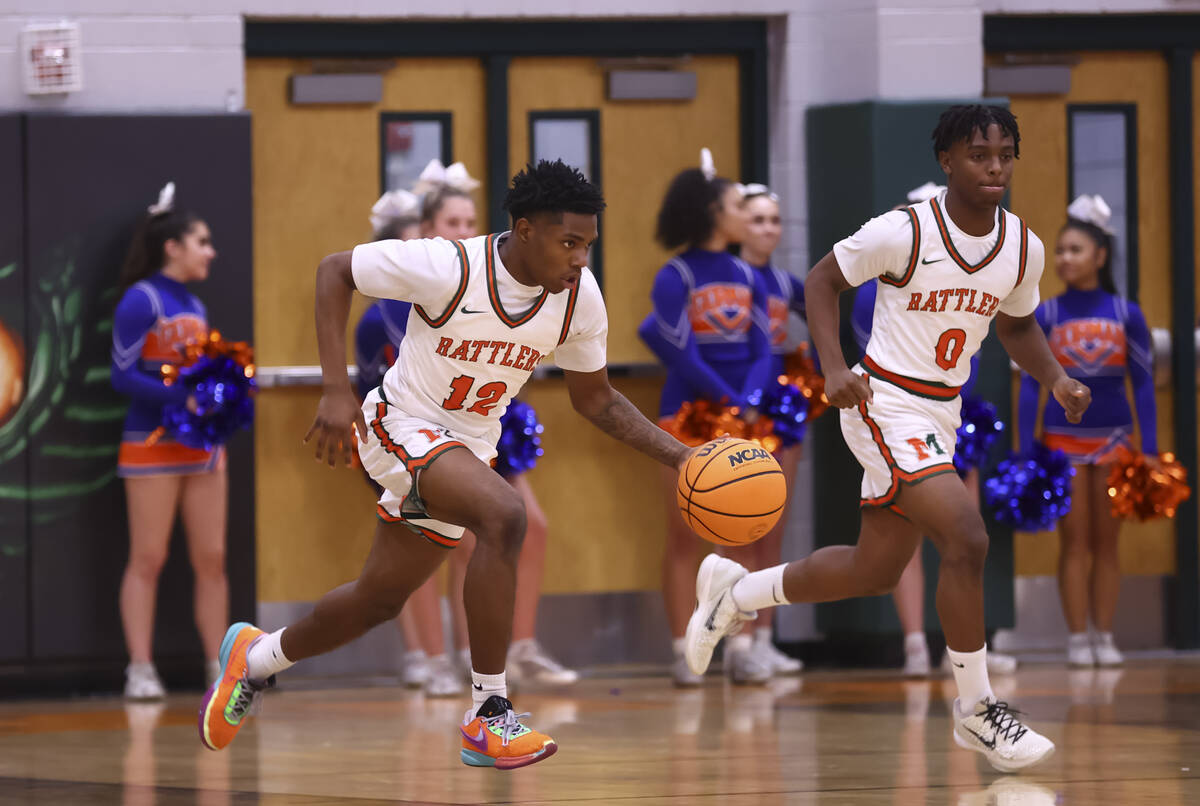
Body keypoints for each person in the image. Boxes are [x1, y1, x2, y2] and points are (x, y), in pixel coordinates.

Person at [200, 160, 694, 770]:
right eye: (569, 243)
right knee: (505, 515)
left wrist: (681, 456)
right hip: (400, 424)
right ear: (525, 230)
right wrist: (334, 390)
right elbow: (335, 271)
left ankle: (257, 657)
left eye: (588, 245)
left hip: (468, 444)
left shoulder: (578, 299)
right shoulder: (449, 265)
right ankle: (490, 714)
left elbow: (595, 399)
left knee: (379, 600)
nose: (580, 259)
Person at [685, 105, 1092, 772]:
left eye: (1004, 155)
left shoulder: (1022, 246)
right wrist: (835, 368)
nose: (994, 166)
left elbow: (1018, 325)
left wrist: (1057, 377)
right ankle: (977, 711)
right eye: (978, 154)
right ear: (947, 161)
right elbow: (821, 282)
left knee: (872, 570)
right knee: (966, 536)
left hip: (942, 414)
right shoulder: (904, 230)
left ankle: (737, 594)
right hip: (883, 401)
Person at [357, 171, 578, 694]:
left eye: (468, 221)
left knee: (528, 526)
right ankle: (436, 658)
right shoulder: (395, 306)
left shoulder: (499, 280)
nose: (462, 230)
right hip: (413, 434)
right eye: (449, 222)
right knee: (434, 545)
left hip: (485, 431)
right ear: (425, 229)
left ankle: (506, 650)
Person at [852, 183, 1017, 679]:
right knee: (928, 540)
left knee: (962, 537)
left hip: (954, 415)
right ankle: (915, 645)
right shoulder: (879, 285)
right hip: (897, 414)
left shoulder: (986, 274)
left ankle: (962, 650)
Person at [638, 151, 773, 686]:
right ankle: (680, 647)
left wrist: (750, 398)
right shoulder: (675, 275)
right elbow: (681, 353)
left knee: (740, 535)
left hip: (741, 414)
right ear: (711, 212)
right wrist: (728, 399)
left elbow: (764, 347)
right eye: (738, 204)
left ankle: (737, 647)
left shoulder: (747, 273)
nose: (745, 213)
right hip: (687, 414)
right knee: (684, 533)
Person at [1017, 194, 1157, 668]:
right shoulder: (1047, 314)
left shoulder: (1126, 313)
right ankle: (1077, 636)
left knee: (1107, 544)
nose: (1064, 259)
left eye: (1075, 250)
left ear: (1100, 256)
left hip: (1116, 440)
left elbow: (1142, 385)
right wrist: (1024, 450)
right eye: (1060, 251)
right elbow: (1030, 389)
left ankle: (1106, 634)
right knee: (1074, 542)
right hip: (1062, 441)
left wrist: (1151, 449)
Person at [111, 182, 228, 699]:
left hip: (202, 447)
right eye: (201, 242)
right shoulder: (143, 299)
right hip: (150, 442)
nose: (210, 252)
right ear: (172, 246)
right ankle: (140, 667)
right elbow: (121, 374)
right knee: (149, 556)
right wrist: (180, 397)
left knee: (212, 557)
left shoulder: (197, 305)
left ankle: (217, 667)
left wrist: (216, 398)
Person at [729, 182, 804, 676]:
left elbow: (824, 307)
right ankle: (735, 641)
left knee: (771, 525)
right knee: (733, 524)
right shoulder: (727, 279)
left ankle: (764, 638)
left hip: (778, 404)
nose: (768, 229)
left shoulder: (784, 282)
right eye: (757, 220)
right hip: (730, 401)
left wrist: (815, 368)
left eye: (774, 220)